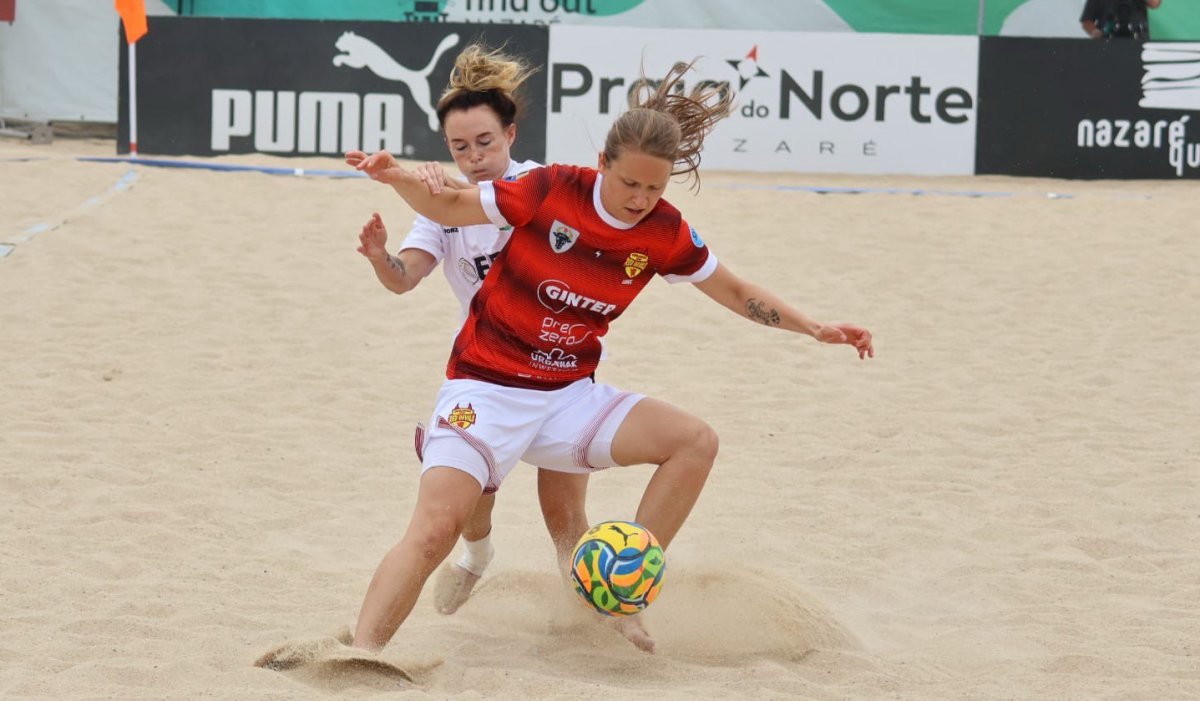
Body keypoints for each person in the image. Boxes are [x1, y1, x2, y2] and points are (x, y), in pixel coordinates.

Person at [344, 59, 874, 655]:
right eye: (630, 185)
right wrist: (394, 176)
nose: (641, 200)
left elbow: (732, 290)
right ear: (602, 164)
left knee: (694, 443)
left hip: (570, 394)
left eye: (655, 188)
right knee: (436, 529)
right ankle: (358, 656)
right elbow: (447, 208)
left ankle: (619, 585)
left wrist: (814, 327)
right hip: (485, 387)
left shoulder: (665, 231)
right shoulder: (550, 188)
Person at [355, 43, 601, 617]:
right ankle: (477, 554)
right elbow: (403, 279)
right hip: (488, 375)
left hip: (561, 371)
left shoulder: (541, 184)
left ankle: (587, 617)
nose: (475, 157)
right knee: (471, 504)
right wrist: (379, 257)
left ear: (511, 135)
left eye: (486, 142)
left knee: (565, 514)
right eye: (460, 147)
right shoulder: (440, 208)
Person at [1081, 0, 1161, 39]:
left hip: (1138, 40)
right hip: (1107, 42)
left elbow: (1154, 3)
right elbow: (1086, 21)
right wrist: (1095, 32)